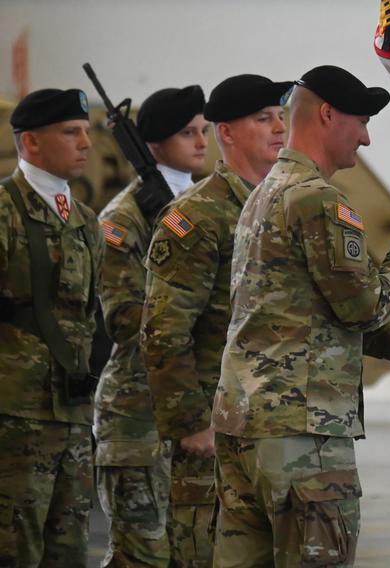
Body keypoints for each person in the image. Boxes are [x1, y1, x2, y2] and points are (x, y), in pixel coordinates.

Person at [210, 65, 390, 568]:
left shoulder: (262, 195)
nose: (367, 138)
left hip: (244, 426)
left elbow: (302, 311)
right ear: (327, 115)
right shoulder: (319, 201)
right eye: (362, 121)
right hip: (303, 435)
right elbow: (364, 306)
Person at [140, 74, 292, 567]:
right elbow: (164, 328)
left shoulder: (283, 206)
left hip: (270, 431)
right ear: (225, 133)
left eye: (282, 117)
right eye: (263, 119)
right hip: (212, 436)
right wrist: (189, 423)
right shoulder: (197, 216)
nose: (279, 128)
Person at [94, 84, 208, 567]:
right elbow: (122, 317)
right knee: (140, 556)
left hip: (191, 407)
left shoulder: (204, 205)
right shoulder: (124, 217)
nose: (202, 142)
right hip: (139, 413)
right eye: (188, 133)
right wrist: (191, 317)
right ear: (155, 143)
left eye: (204, 131)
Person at [0, 88, 103, 566]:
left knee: (70, 549)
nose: (85, 142)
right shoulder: (4, 211)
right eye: (70, 132)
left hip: (73, 414)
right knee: (14, 548)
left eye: (85, 131)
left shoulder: (86, 221)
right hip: (14, 417)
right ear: (30, 143)